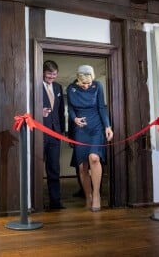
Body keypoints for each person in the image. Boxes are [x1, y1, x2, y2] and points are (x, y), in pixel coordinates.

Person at [67, 65, 113, 212]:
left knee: (94, 158)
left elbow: (101, 107)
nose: (86, 86)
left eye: (89, 83)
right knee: (82, 166)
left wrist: (107, 126)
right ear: (78, 80)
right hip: (80, 129)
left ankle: (97, 195)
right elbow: (71, 109)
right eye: (83, 83)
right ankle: (88, 196)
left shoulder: (97, 86)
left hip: (96, 127)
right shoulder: (70, 88)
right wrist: (74, 119)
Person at [43, 60, 65, 210]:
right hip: (39, 132)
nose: (52, 77)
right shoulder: (34, 85)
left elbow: (61, 111)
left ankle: (55, 202)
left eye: (54, 74)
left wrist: (62, 131)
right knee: (37, 167)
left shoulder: (58, 87)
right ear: (43, 72)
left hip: (55, 133)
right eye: (49, 74)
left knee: (54, 168)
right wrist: (39, 113)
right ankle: (35, 201)